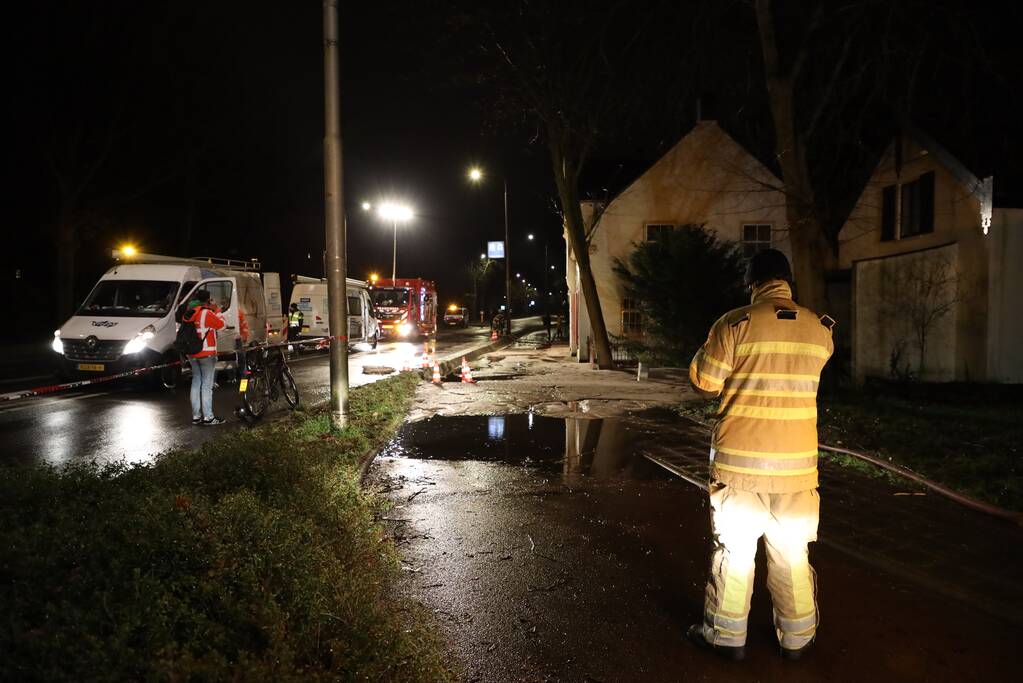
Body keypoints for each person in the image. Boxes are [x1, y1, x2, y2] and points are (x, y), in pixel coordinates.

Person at [686, 249, 834, 662]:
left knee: (735, 553)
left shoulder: (735, 323)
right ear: (787, 280)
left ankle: (726, 637)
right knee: (792, 552)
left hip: (740, 469)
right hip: (798, 470)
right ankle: (798, 638)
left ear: (751, 284)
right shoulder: (820, 329)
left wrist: (708, 345)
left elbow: (705, 381)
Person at [183, 290, 226, 425]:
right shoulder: (206, 313)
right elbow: (221, 325)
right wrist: (217, 310)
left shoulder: (189, 313)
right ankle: (208, 417)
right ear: (208, 300)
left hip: (192, 353)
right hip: (206, 353)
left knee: (196, 383)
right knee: (207, 386)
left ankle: (196, 416)